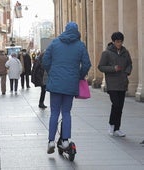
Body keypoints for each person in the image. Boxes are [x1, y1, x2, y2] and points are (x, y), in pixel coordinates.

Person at [42, 22, 91, 154]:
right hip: (70, 84)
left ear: (65, 30)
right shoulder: (80, 45)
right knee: (66, 113)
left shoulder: (55, 43)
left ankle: (51, 141)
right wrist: (79, 76)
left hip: (56, 83)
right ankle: (65, 140)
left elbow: (45, 60)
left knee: (54, 112)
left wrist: (52, 72)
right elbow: (87, 64)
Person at [98, 31, 132, 137]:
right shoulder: (106, 53)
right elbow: (101, 66)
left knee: (120, 106)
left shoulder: (125, 52)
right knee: (116, 104)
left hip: (122, 83)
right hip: (112, 83)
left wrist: (127, 71)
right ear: (113, 42)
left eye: (121, 42)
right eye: (117, 42)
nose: (119, 44)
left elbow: (129, 63)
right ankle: (112, 125)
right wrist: (113, 68)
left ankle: (117, 128)